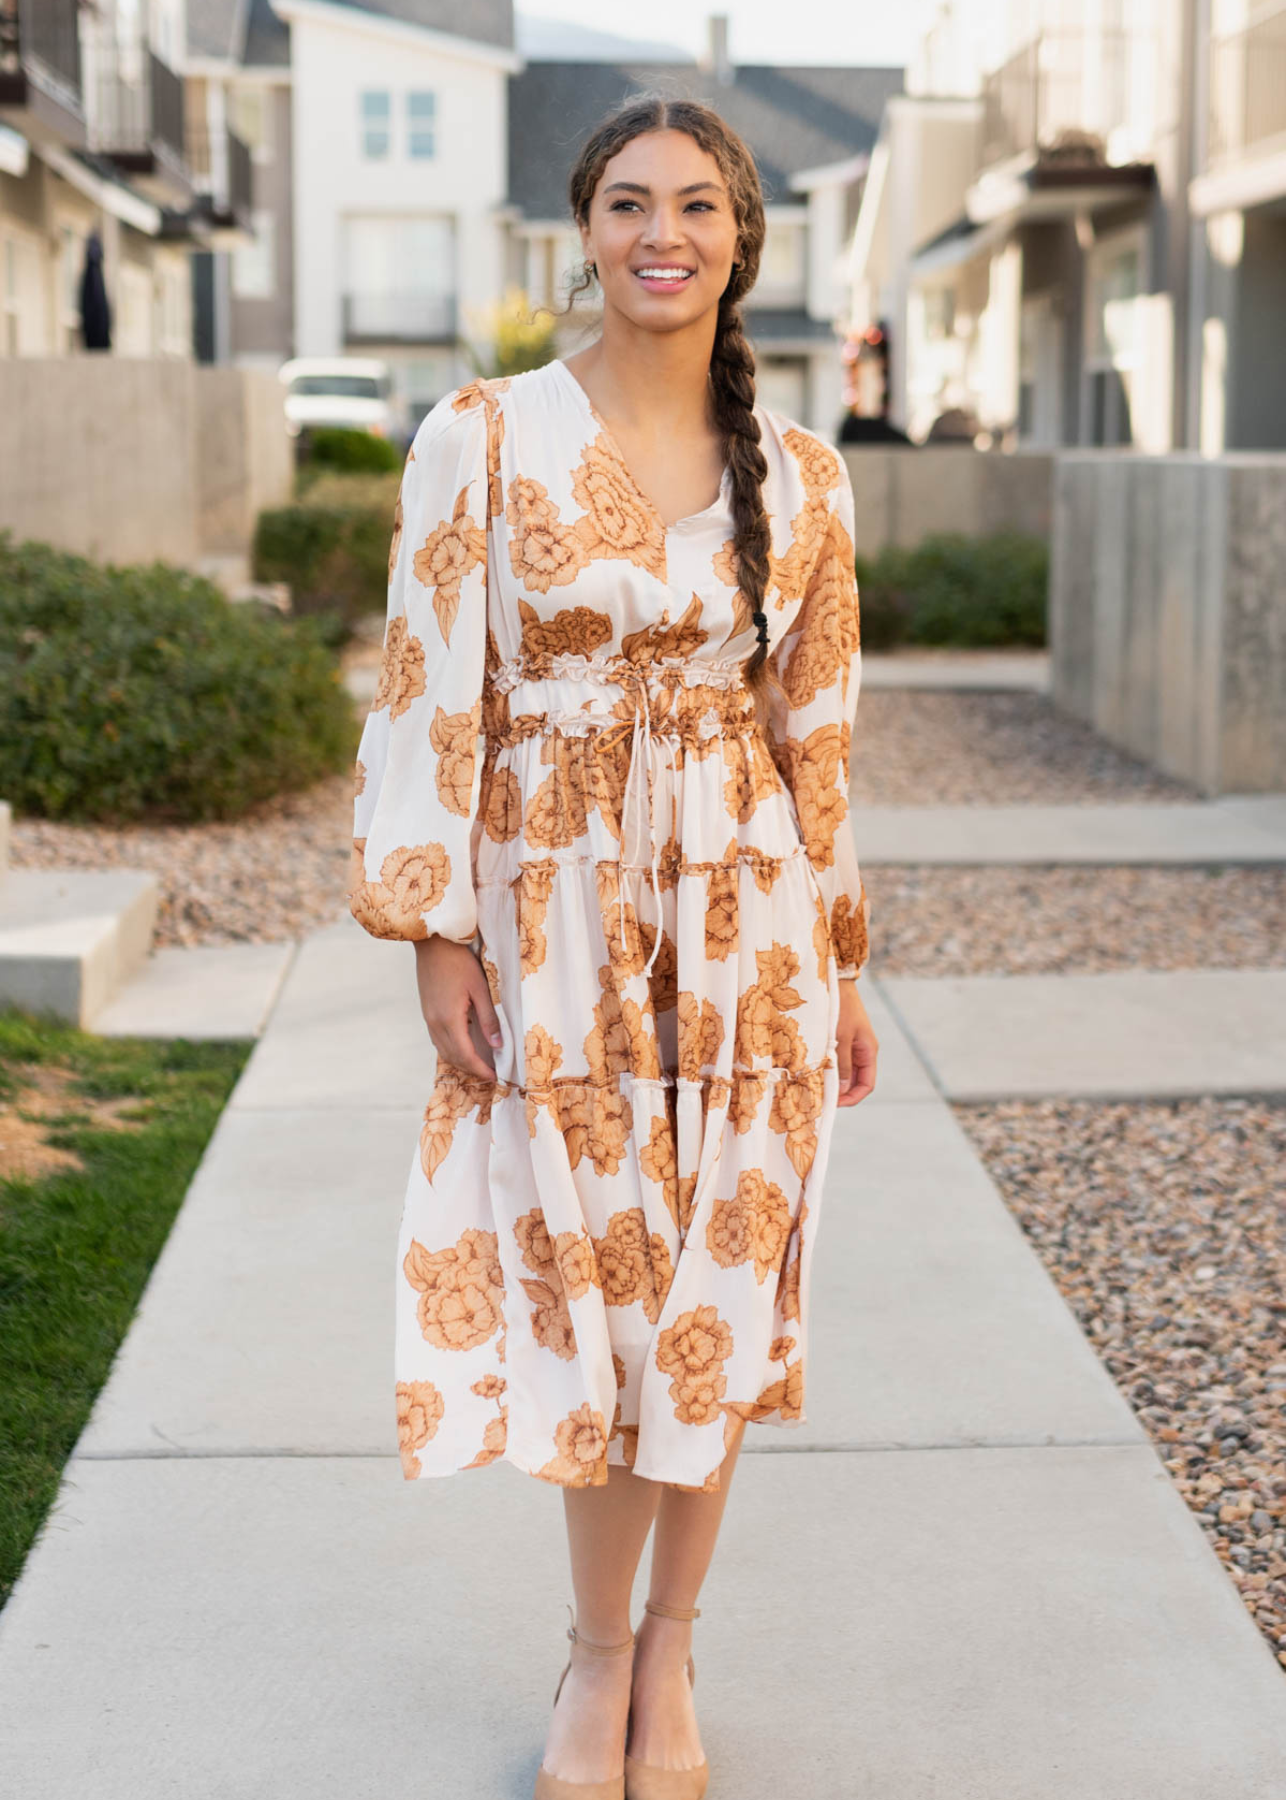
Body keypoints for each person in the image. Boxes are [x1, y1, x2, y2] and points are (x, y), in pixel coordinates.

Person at [347, 94, 879, 1800]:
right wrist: (437, 935)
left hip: (751, 937)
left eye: (700, 206)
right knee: (595, 1298)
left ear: (740, 238)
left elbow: (821, 732)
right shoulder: (482, 437)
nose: (667, 232)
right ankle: (591, 1657)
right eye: (633, 202)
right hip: (556, 916)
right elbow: (433, 689)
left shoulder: (798, 472)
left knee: (714, 1292)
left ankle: (673, 1652)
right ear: (582, 227)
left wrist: (845, 962)